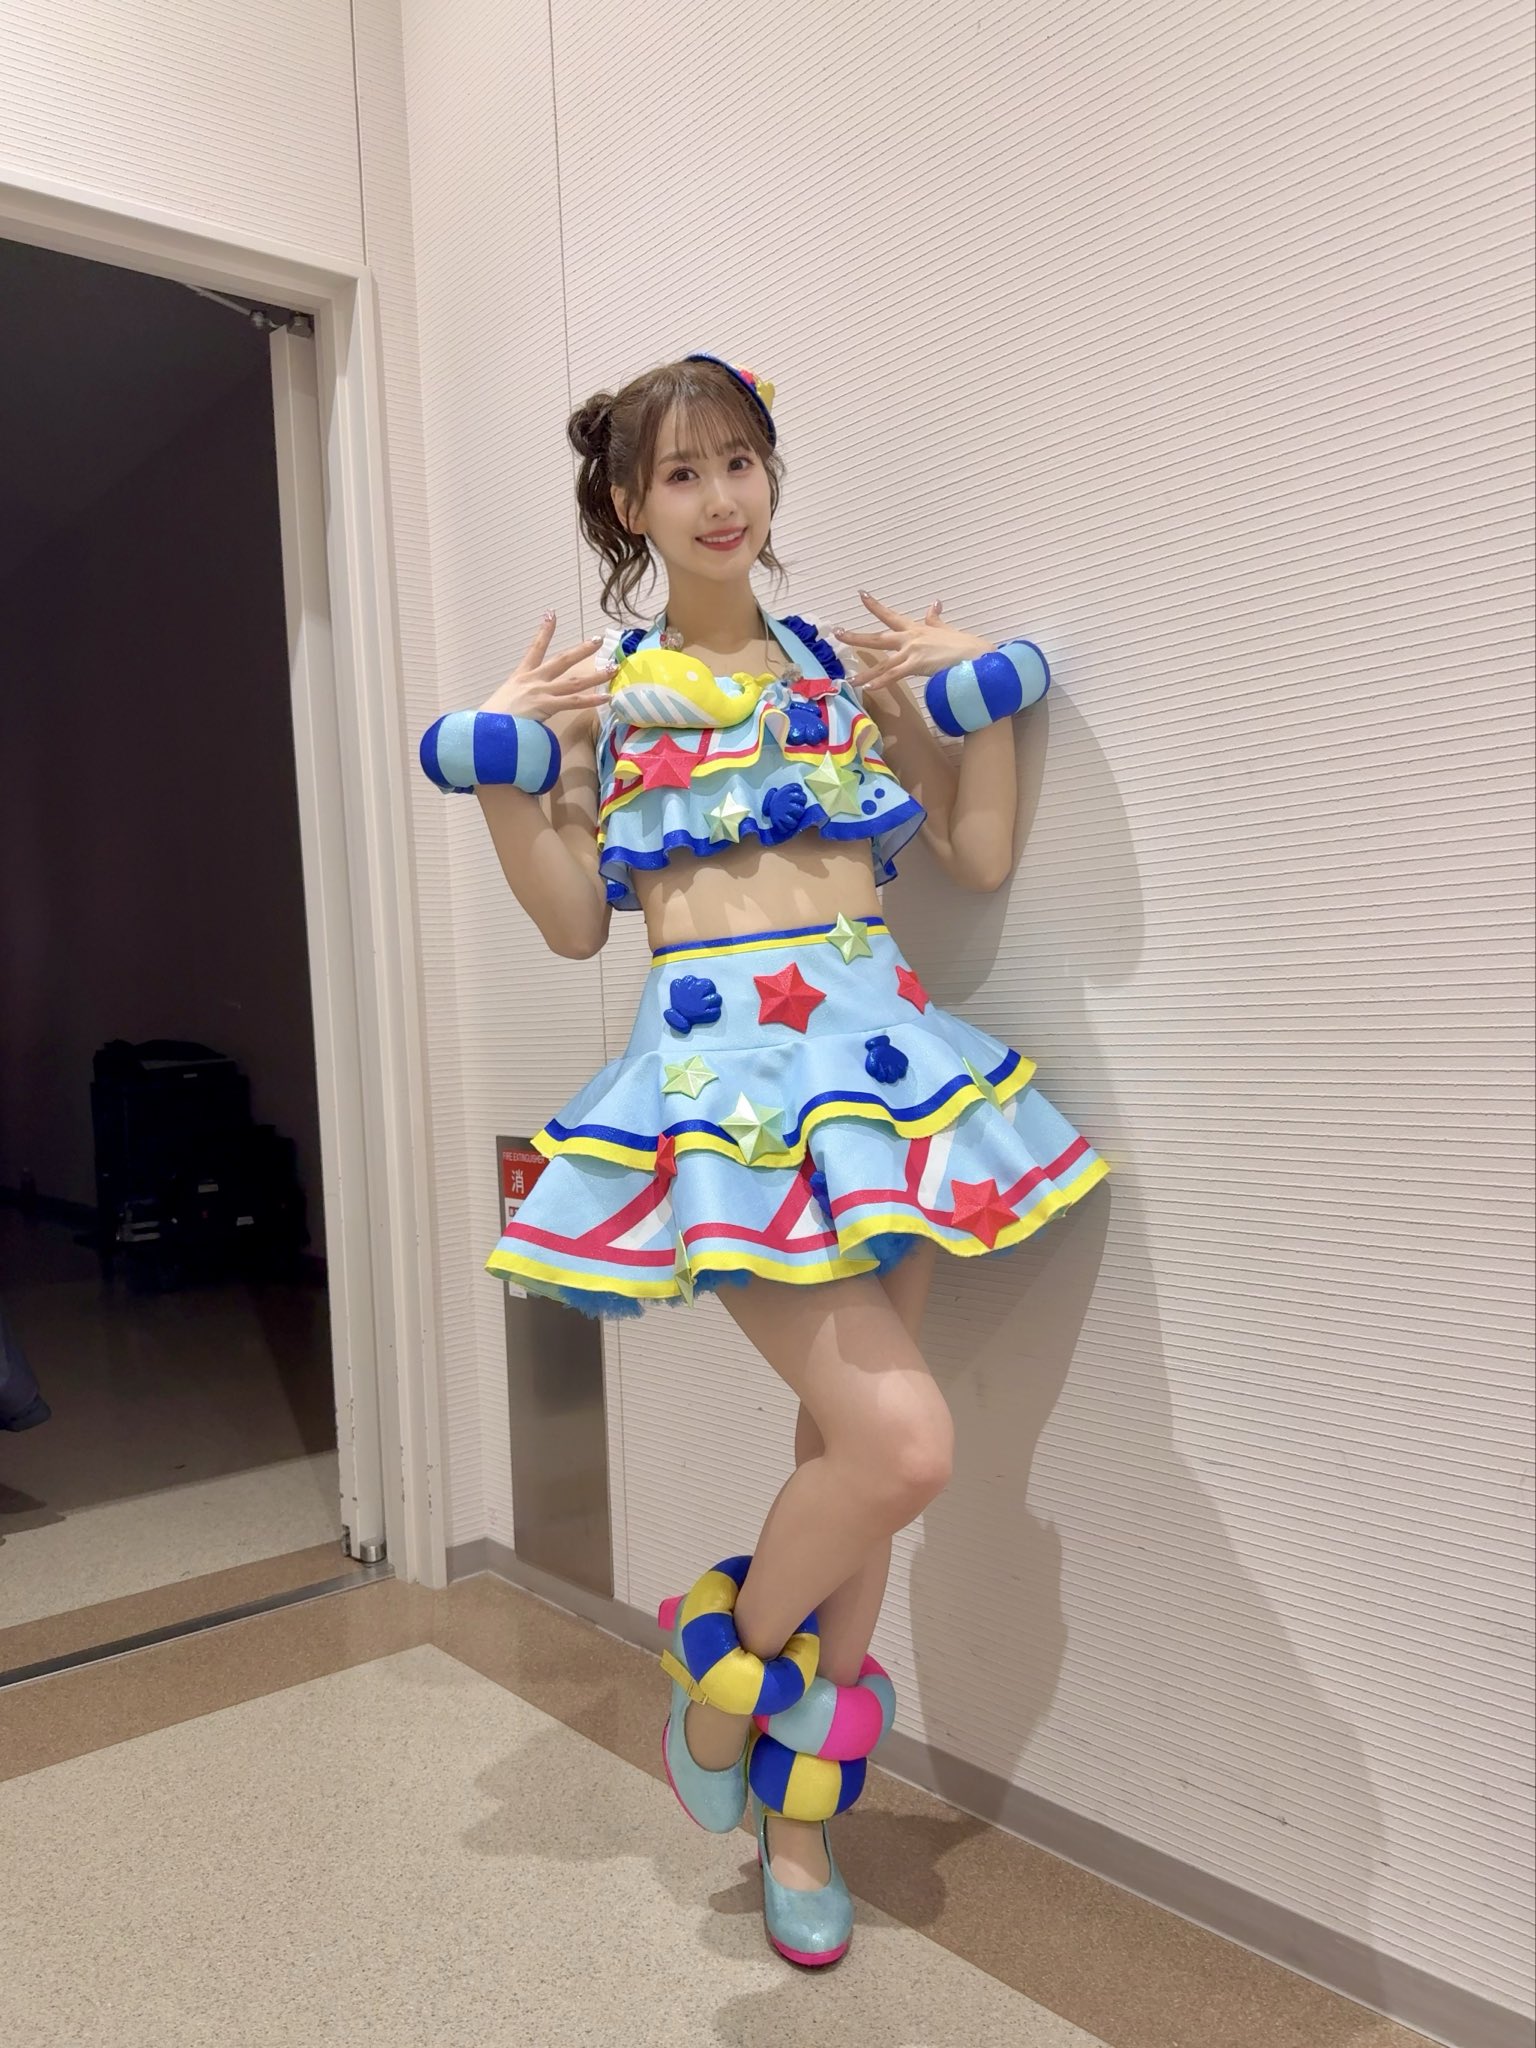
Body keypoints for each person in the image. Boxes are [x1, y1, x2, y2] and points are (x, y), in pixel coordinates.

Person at [419, 354, 1108, 1967]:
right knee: (905, 1449)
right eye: (681, 474)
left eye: (741, 461)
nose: (722, 498)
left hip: (885, 1084)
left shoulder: (828, 672)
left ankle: (801, 1824)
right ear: (626, 504)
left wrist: (983, 697)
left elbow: (977, 850)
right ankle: (715, 1674)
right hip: (725, 1096)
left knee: (845, 1461)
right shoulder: (607, 694)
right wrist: (507, 773)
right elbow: (573, 921)